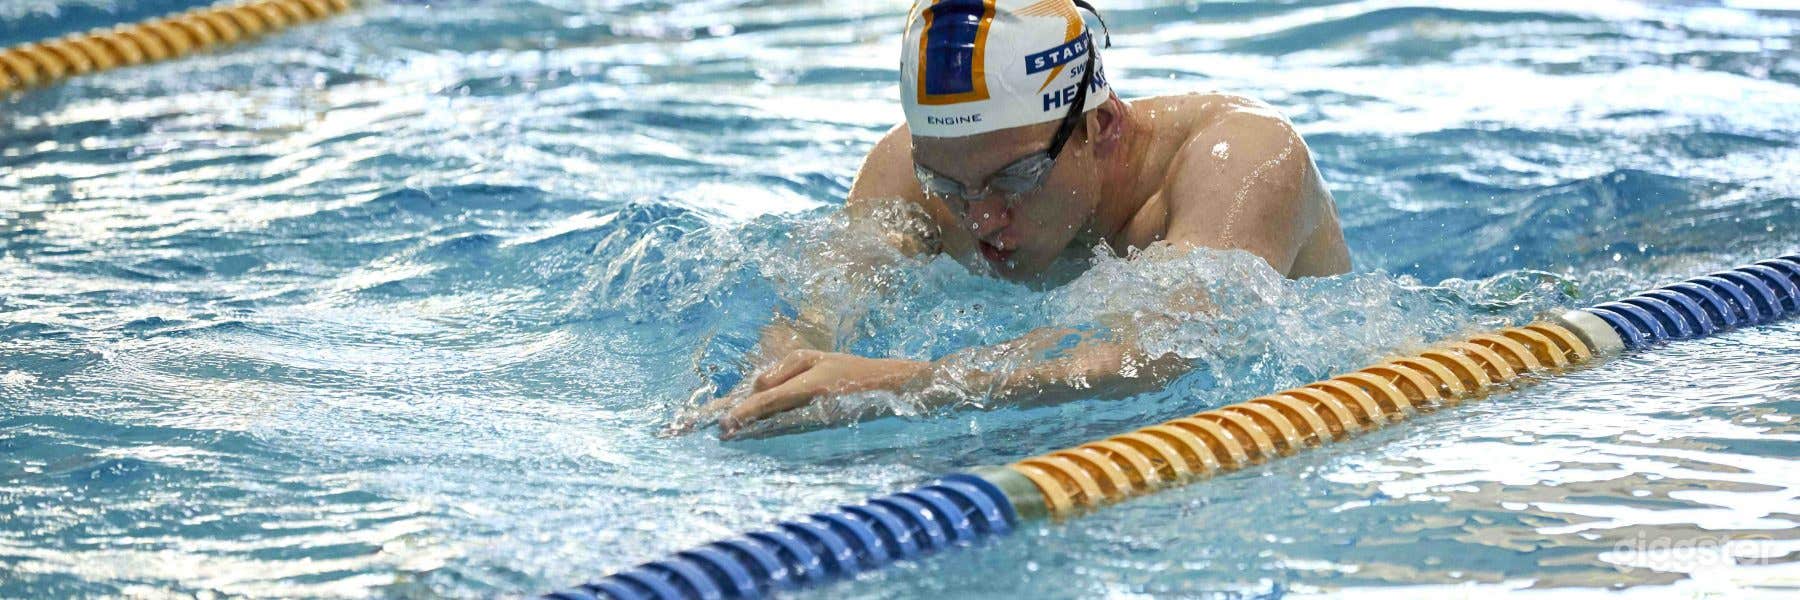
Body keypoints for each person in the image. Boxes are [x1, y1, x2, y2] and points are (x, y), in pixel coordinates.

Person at [681, 0, 1350, 439]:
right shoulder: (906, 176)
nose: (980, 217)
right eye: (949, 184)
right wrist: (752, 400)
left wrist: (899, 382)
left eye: (1016, 179)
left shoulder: (1243, 162)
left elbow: (1161, 353)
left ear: (1103, 125)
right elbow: (813, 318)